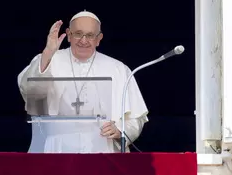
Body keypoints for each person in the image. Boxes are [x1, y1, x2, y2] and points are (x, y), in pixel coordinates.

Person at [17, 10, 148, 153]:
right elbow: (30, 91)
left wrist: (120, 130)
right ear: (68, 34)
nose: (83, 40)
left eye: (90, 35)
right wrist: (48, 51)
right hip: (56, 149)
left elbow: (136, 118)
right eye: (78, 33)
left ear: (99, 39)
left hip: (103, 149)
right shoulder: (48, 60)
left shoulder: (118, 69)